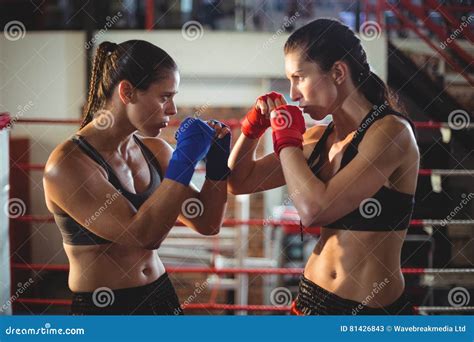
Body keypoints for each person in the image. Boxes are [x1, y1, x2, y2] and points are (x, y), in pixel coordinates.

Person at [228, 18, 419, 315]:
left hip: (369, 313)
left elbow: (315, 208)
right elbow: (239, 182)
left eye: (299, 77)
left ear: (338, 72)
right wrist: (252, 129)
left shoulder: (390, 133)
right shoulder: (317, 139)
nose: (293, 93)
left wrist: (285, 138)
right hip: (311, 300)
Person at [43, 40, 231, 315]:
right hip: (106, 308)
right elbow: (143, 235)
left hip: (161, 294)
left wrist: (217, 166)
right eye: (164, 97)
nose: (173, 109)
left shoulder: (154, 151)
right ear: (127, 92)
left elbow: (207, 222)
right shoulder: (68, 165)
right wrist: (185, 160)